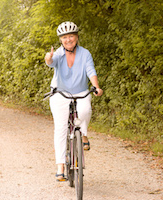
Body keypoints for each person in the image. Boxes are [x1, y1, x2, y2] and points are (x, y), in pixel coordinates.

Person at [45, 21, 103, 181]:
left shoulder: (85, 54)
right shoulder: (57, 53)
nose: (68, 39)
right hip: (60, 93)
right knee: (61, 128)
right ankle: (60, 167)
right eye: (64, 37)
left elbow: (90, 70)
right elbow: (50, 62)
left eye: (71, 36)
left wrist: (96, 86)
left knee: (85, 111)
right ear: (61, 40)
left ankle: (83, 134)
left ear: (76, 37)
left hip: (81, 91)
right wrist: (48, 57)